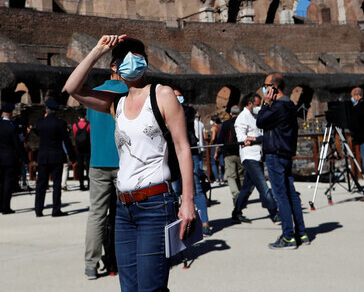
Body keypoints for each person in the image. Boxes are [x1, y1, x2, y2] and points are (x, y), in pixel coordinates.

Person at [64, 35, 195, 292]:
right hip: (124, 208)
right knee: (129, 288)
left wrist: (188, 201)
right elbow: (72, 88)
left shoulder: (162, 94)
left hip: (156, 204)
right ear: (114, 66)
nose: (133, 60)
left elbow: (182, 148)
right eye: (125, 57)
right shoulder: (117, 103)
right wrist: (98, 50)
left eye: (138, 55)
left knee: (150, 287)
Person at [256, 74, 308, 249]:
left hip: (275, 155)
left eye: (266, 86)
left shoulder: (278, 107)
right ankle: (301, 233)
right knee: (291, 194)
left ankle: (288, 237)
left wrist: (265, 103)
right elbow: (277, 130)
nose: (264, 89)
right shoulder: (289, 105)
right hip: (285, 154)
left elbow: (260, 121)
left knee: (281, 196)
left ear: (274, 88)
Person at [82, 78, 123, 280]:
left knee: (96, 214)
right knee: (125, 213)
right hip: (123, 161)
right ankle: (124, 258)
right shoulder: (129, 91)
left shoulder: (94, 92)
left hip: (98, 160)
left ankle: (91, 264)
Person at [232, 94, 279, 224]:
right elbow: (241, 138)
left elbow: (262, 131)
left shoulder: (256, 115)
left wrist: (256, 138)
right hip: (249, 156)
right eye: (257, 104)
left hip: (258, 155)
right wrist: (254, 139)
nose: (259, 107)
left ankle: (236, 212)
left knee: (247, 188)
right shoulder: (242, 118)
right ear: (249, 104)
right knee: (263, 186)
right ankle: (274, 213)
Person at [172, 88, 212, 237]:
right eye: (174, 96)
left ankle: (205, 223)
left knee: (197, 188)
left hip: (191, 151)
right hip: (173, 153)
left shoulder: (188, 110)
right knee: (175, 190)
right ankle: (176, 222)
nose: (177, 98)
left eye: (179, 96)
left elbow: (184, 118)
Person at [34, 99, 75, 217]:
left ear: (46, 110)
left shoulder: (40, 123)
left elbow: (38, 133)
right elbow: (67, 141)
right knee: (56, 184)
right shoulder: (60, 123)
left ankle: (38, 209)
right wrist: (73, 157)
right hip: (57, 156)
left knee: (41, 184)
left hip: (43, 156)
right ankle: (56, 209)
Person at [0, 104, 24, 214]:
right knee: (8, 183)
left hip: (0, 156)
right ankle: (6, 207)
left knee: (0, 182)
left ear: (2, 113)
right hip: (10, 157)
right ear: (11, 114)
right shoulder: (12, 127)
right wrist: (24, 157)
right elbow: (17, 144)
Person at [217, 108, 243, 205]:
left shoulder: (225, 124)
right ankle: (242, 194)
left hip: (228, 152)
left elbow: (219, 139)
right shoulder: (242, 122)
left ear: (231, 113)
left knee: (231, 176)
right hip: (240, 152)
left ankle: (236, 194)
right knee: (241, 175)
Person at [72, 109, 91, 191]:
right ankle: (89, 184)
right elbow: (89, 136)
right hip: (87, 148)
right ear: (85, 116)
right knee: (88, 166)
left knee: (80, 167)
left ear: (78, 117)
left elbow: (75, 135)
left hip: (79, 148)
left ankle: (81, 184)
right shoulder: (88, 125)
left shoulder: (74, 125)